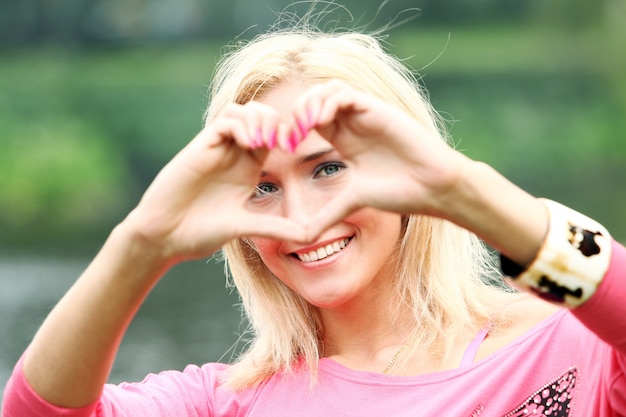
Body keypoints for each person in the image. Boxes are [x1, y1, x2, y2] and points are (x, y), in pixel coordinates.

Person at [2, 19, 626, 417]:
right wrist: (142, 244)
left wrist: (459, 186)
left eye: (329, 169)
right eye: (262, 188)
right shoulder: (223, 404)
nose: (302, 220)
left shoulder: (568, 343)